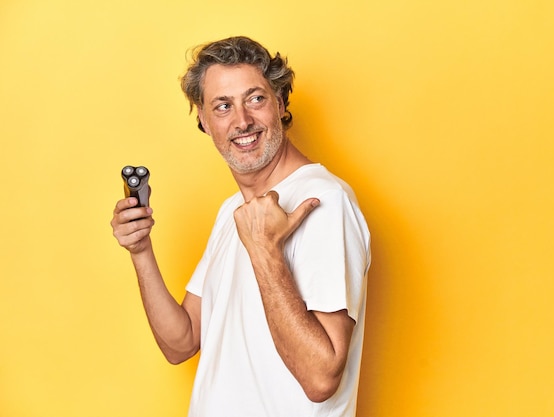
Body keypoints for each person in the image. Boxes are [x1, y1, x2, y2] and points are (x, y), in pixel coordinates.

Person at [111, 36, 371, 417]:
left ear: (280, 104)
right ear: (203, 119)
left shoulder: (324, 200)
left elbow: (321, 378)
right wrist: (140, 250)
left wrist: (265, 250)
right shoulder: (232, 211)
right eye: (223, 106)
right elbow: (181, 343)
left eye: (256, 99)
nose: (242, 121)